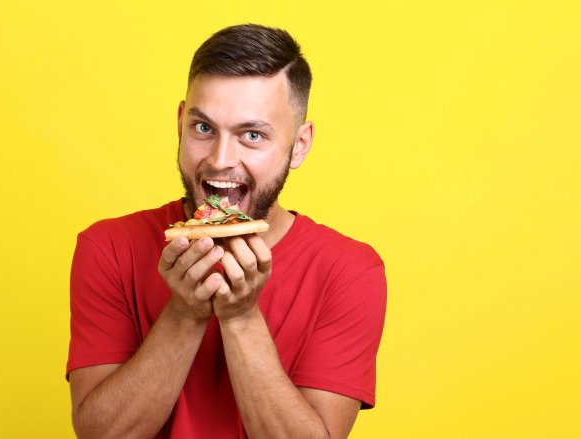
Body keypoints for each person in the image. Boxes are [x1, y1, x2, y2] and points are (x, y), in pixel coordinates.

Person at [66, 24, 387, 439]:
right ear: (181, 122)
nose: (220, 160)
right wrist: (184, 312)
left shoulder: (350, 271)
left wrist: (240, 316)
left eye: (251, 135)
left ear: (300, 145)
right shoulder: (107, 247)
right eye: (204, 129)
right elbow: (103, 435)